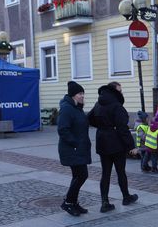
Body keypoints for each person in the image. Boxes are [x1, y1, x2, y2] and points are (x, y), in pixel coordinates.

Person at [88, 81, 139, 212]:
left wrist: (102, 127)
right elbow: (123, 128)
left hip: (102, 142)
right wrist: (131, 146)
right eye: (120, 90)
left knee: (105, 173)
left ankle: (105, 202)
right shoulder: (117, 106)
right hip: (116, 143)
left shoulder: (98, 104)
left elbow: (89, 118)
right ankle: (126, 196)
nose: (121, 92)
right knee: (120, 171)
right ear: (114, 91)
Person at [57, 81, 91, 217]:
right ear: (73, 95)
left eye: (83, 93)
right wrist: (75, 143)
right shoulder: (67, 108)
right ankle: (68, 202)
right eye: (79, 94)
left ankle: (73, 202)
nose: (82, 96)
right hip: (72, 149)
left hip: (78, 148)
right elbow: (62, 129)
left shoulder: (77, 108)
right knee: (82, 175)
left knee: (78, 175)